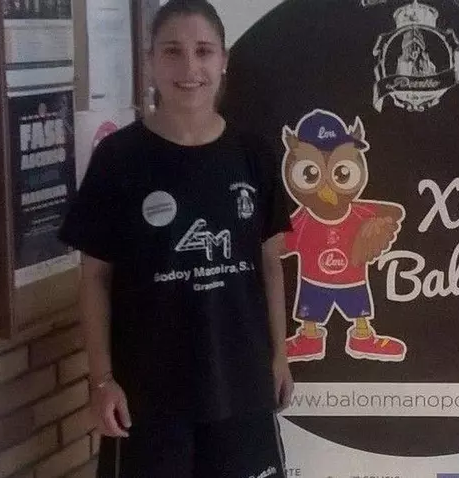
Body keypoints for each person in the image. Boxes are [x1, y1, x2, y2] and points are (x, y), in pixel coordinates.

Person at [58, 1, 293, 476]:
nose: (189, 68)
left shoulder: (253, 154)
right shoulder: (118, 159)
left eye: (203, 51)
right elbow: (95, 278)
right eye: (172, 51)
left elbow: (270, 264)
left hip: (241, 385)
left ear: (223, 60)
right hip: (147, 397)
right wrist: (102, 380)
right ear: (150, 61)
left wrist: (280, 357)